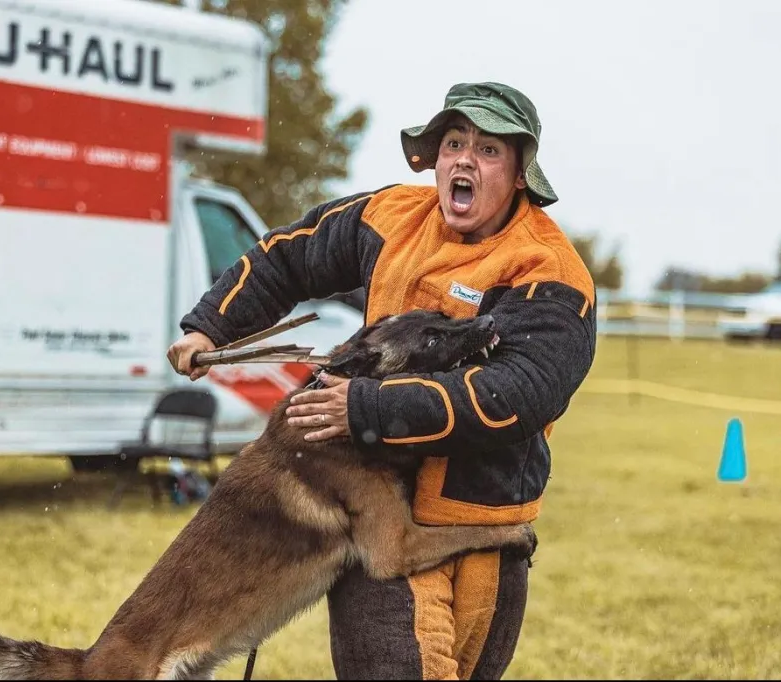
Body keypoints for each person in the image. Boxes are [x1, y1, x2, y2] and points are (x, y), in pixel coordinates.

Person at [167, 82, 597, 680]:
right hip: (372, 522)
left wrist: (364, 408)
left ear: (521, 172)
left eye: (489, 149)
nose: (465, 159)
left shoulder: (549, 270)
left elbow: (519, 395)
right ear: (436, 158)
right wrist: (210, 327)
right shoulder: (389, 215)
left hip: (485, 528)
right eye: (453, 143)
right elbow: (288, 255)